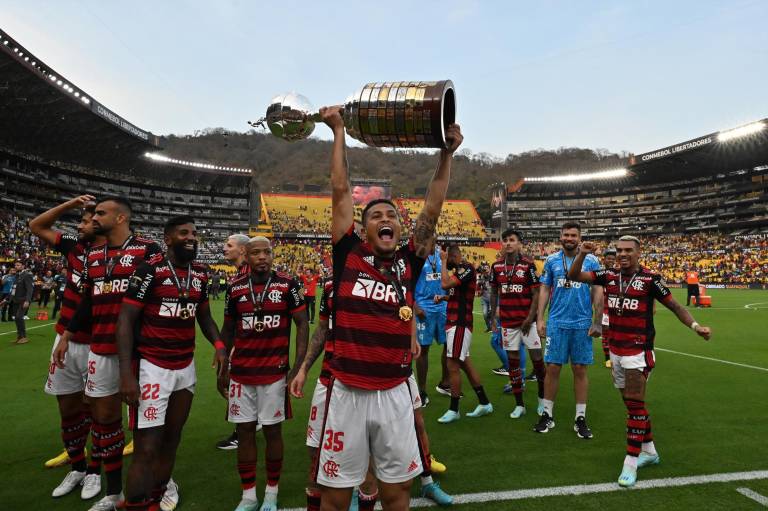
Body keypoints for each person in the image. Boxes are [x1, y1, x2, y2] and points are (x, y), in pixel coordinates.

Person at [314, 104, 462, 510]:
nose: (384, 218)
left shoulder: (409, 262)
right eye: (375, 215)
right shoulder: (349, 255)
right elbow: (340, 190)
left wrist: (445, 154)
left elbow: (432, 207)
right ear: (363, 229)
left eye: (391, 215)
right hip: (347, 391)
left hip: (396, 391)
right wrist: (338, 131)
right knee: (335, 496)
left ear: (399, 228)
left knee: (397, 493)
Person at [290, 274, 452, 510]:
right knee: (317, 451)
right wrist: (304, 369)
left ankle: (426, 480)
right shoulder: (331, 286)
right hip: (336, 379)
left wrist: (413, 334)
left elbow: (407, 311)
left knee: (415, 425)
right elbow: (323, 328)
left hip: (393, 372)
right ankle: (351, 489)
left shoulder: (394, 279)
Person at [567, 235, 711, 487]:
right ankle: (649, 451)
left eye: (628, 251)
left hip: (638, 352)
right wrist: (581, 253)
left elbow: (676, 307)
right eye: (619, 250)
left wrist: (696, 326)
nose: (623, 254)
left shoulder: (650, 280)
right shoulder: (608, 276)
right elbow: (574, 276)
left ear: (638, 252)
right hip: (616, 351)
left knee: (634, 405)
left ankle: (630, 462)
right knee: (633, 406)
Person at [57, 197, 164, 511]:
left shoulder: (148, 249)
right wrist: (66, 335)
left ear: (120, 218)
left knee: (147, 425)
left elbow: (159, 297)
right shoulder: (92, 254)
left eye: (101, 213)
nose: (94, 218)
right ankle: (113, 492)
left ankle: (161, 481)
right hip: (100, 348)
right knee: (105, 422)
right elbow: (88, 302)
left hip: (140, 352)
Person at [117, 215, 227, 511]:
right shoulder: (149, 271)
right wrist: (127, 375)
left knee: (172, 439)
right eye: (184, 233)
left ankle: (157, 496)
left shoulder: (201, 274)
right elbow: (126, 319)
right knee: (146, 447)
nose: (191, 237)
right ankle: (136, 504)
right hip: (152, 368)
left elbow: (204, 316)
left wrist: (219, 345)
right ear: (167, 239)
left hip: (185, 368)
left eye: (194, 232)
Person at [217, 236, 309, 511]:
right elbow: (228, 328)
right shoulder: (234, 288)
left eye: (266, 252)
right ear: (246, 255)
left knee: (272, 431)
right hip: (242, 373)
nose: (261, 257)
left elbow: (302, 325)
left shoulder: (287, 285)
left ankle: (271, 491)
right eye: (255, 252)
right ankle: (248, 496)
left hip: (274, 374)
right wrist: (223, 364)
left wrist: (297, 367)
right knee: (244, 432)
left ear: (272, 255)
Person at [30, 195, 108, 499]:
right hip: (64, 341)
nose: (81, 224)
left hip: (98, 345)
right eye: (83, 218)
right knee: (68, 409)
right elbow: (37, 225)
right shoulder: (73, 246)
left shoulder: (117, 256)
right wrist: (71, 204)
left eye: (87, 219)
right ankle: (76, 467)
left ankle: (93, 472)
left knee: (98, 412)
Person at [534, 222, 603, 438]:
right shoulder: (552, 260)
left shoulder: (591, 260)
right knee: (552, 368)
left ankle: (580, 417)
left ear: (580, 238)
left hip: (582, 322)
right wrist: (540, 318)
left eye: (574, 235)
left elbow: (598, 289)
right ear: (560, 237)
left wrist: (597, 320)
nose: (569, 238)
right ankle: (547, 414)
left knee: (580, 369)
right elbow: (545, 288)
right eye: (566, 234)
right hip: (556, 322)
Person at [489, 229, 546, 419]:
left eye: (512, 240)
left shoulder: (528, 265)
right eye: (505, 240)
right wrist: (493, 315)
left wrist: (530, 319)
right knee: (513, 365)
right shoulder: (496, 266)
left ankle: (542, 401)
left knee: (538, 362)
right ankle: (519, 405)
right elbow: (495, 292)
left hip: (527, 324)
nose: (508, 243)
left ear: (519, 243)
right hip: (508, 323)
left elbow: (536, 294)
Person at [435, 244, 493, 424]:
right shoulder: (460, 271)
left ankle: (454, 409)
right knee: (465, 364)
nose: (448, 263)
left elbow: (444, 284)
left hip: (460, 323)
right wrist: (444, 298)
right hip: (454, 322)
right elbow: (455, 294)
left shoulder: (466, 268)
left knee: (452, 364)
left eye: (449, 258)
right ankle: (484, 402)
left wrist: (443, 262)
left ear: (453, 256)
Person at [216, 233, 253, 450]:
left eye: (229, 245)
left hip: (246, 344)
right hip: (240, 341)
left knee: (232, 385)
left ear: (242, 250)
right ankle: (248, 424)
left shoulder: (247, 277)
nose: (224, 248)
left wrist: (232, 347)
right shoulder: (240, 275)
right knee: (232, 386)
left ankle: (242, 431)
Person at [414, 244, 449, 406]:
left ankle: (445, 382)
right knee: (423, 349)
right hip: (424, 306)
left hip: (442, 305)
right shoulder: (415, 256)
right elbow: (406, 283)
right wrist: (415, 306)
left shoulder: (441, 255)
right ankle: (422, 390)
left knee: (448, 345)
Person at [600, 247, 618, 367]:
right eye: (609, 258)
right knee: (606, 332)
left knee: (617, 332)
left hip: (617, 308)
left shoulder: (619, 273)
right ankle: (607, 358)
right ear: (604, 260)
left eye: (613, 258)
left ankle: (617, 355)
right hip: (604, 309)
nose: (611, 260)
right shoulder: (599, 274)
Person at [10, 260, 33, 344]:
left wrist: (27, 300)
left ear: (23, 266)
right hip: (16, 300)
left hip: (23, 300)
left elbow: (30, 289)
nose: (16, 267)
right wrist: (7, 299)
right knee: (16, 318)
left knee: (19, 317)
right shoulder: (16, 276)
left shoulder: (27, 275)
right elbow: (14, 289)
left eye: (18, 265)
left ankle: (24, 337)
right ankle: (19, 336)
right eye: (15, 265)